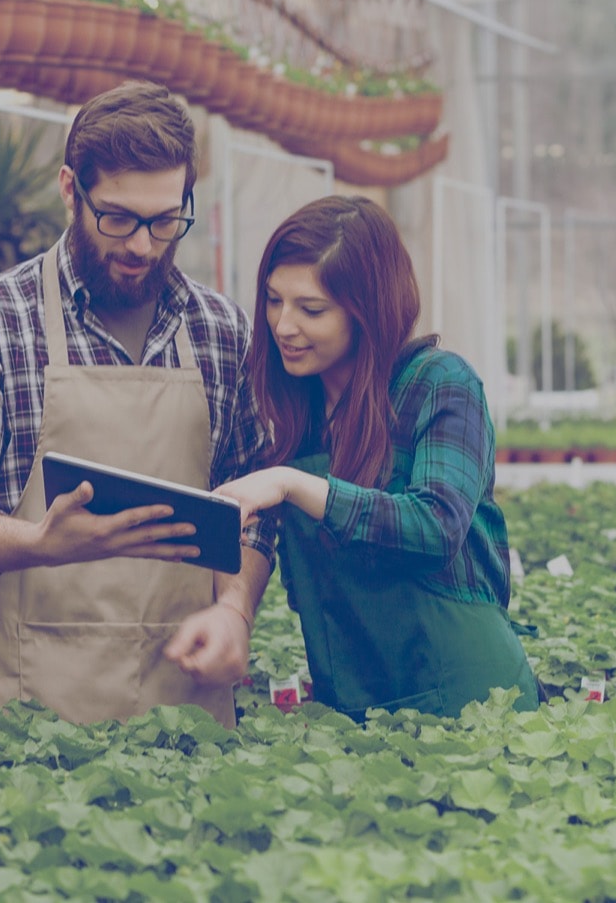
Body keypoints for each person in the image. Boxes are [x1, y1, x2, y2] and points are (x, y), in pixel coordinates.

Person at [0, 81, 274, 727]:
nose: (141, 245)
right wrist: (38, 541)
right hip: (21, 701)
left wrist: (234, 610)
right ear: (71, 190)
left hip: (179, 693)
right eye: (118, 217)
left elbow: (252, 504)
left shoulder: (221, 330)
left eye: (165, 220)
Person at [214, 195, 539, 721]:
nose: (283, 326)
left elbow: (436, 527)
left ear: (368, 310)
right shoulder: (299, 414)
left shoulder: (441, 385)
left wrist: (294, 483)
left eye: (311, 309)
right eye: (274, 301)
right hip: (354, 709)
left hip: (469, 707)